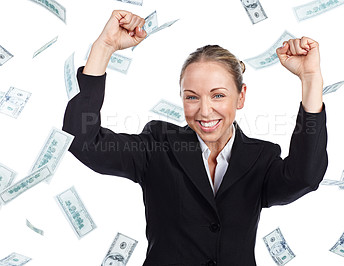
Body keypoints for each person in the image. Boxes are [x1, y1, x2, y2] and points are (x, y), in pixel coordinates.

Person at [62, 10, 328, 266]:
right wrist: (104, 47)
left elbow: (305, 176)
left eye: (218, 95)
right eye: (192, 97)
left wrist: (310, 79)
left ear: (241, 96)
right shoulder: (158, 146)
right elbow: (84, 142)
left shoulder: (261, 158)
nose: (204, 110)